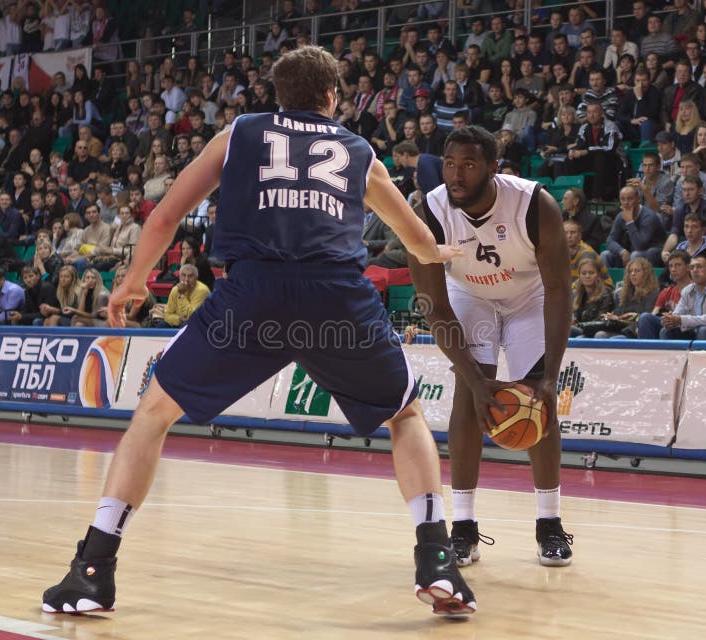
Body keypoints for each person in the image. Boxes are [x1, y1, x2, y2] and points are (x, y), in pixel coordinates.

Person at [42, 46, 476, 618]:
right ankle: (437, 559)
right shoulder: (359, 150)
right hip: (335, 300)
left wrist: (132, 282)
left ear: (278, 94)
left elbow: (167, 214)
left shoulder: (240, 133)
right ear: (331, 97)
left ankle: (93, 569)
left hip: (252, 299)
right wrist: (445, 249)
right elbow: (416, 240)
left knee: (152, 415)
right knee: (405, 416)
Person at [406, 125, 575, 568]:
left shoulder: (534, 204)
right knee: (468, 394)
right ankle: (463, 528)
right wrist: (477, 380)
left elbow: (559, 289)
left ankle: (549, 523)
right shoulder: (432, 212)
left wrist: (553, 375)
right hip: (469, 296)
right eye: (449, 164)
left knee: (538, 396)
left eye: (469, 165)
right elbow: (435, 307)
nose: (456, 174)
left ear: (493, 169)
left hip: (529, 296)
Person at [652, 255, 706, 339]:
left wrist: (680, 319)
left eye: (699, 267)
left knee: (704, 330)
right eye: (692, 267)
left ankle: (701, 352)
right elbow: (678, 313)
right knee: (666, 330)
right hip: (693, 330)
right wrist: (670, 319)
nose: (695, 270)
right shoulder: (688, 290)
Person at [591, 257, 660, 338]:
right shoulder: (624, 292)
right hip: (621, 328)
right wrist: (610, 317)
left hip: (635, 331)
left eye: (637, 271)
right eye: (631, 271)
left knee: (616, 339)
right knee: (600, 335)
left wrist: (619, 319)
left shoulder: (653, 293)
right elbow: (619, 313)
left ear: (646, 274)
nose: (633, 274)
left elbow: (644, 318)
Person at [601, 186, 667, 268]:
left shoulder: (649, 217)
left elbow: (640, 245)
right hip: (631, 252)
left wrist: (629, 222)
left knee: (635, 255)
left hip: (653, 253)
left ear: (638, 199)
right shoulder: (620, 216)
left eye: (629, 199)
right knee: (605, 255)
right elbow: (610, 241)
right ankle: (607, 280)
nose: (626, 203)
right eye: (622, 199)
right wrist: (622, 251)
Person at [637, 250, 693, 338]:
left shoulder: (696, 289)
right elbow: (654, 314)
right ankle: (647, 350)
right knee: (645, 318)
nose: (673, 269)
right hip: (670, 325)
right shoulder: (667, 291)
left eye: (678, 265)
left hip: (688, 327)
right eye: (671, 266)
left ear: (688, 267)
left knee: (667, 330)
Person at [571, 258, 615, 337]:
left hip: (599, 330)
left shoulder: (606, 294)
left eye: (591, 273)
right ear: (579, 276)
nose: (587, 276)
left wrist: (578, 325)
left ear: (598, 275)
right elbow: (575, 317)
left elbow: (601, 321)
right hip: (582, 329)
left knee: (570, 331)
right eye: (584, 273)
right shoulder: (576, 294)